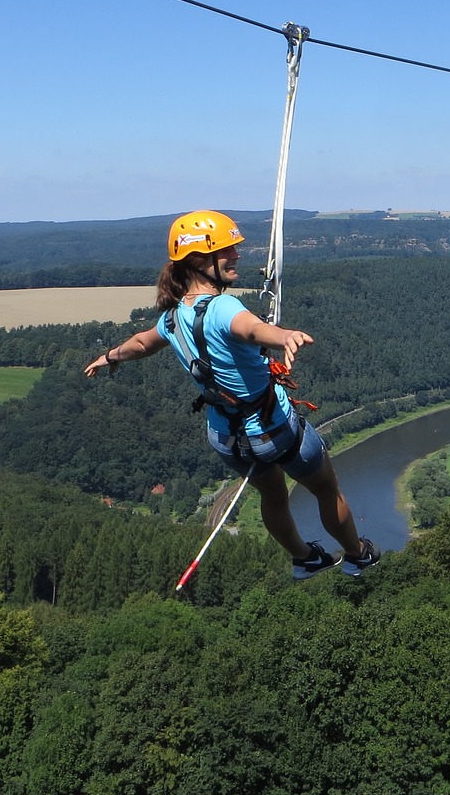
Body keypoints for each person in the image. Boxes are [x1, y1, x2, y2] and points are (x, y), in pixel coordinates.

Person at [84, 210, 379, 580]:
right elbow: (253, 330)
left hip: (226, 438)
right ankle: (356, 554)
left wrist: (110, 356)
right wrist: (283, 335)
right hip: (273, 429)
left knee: (273, 497)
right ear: (199, 260)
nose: (237, 255)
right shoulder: (224, 307)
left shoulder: (174, 316)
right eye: (227, 250)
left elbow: (144, 343)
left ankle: (303, 558)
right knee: (325, 489)